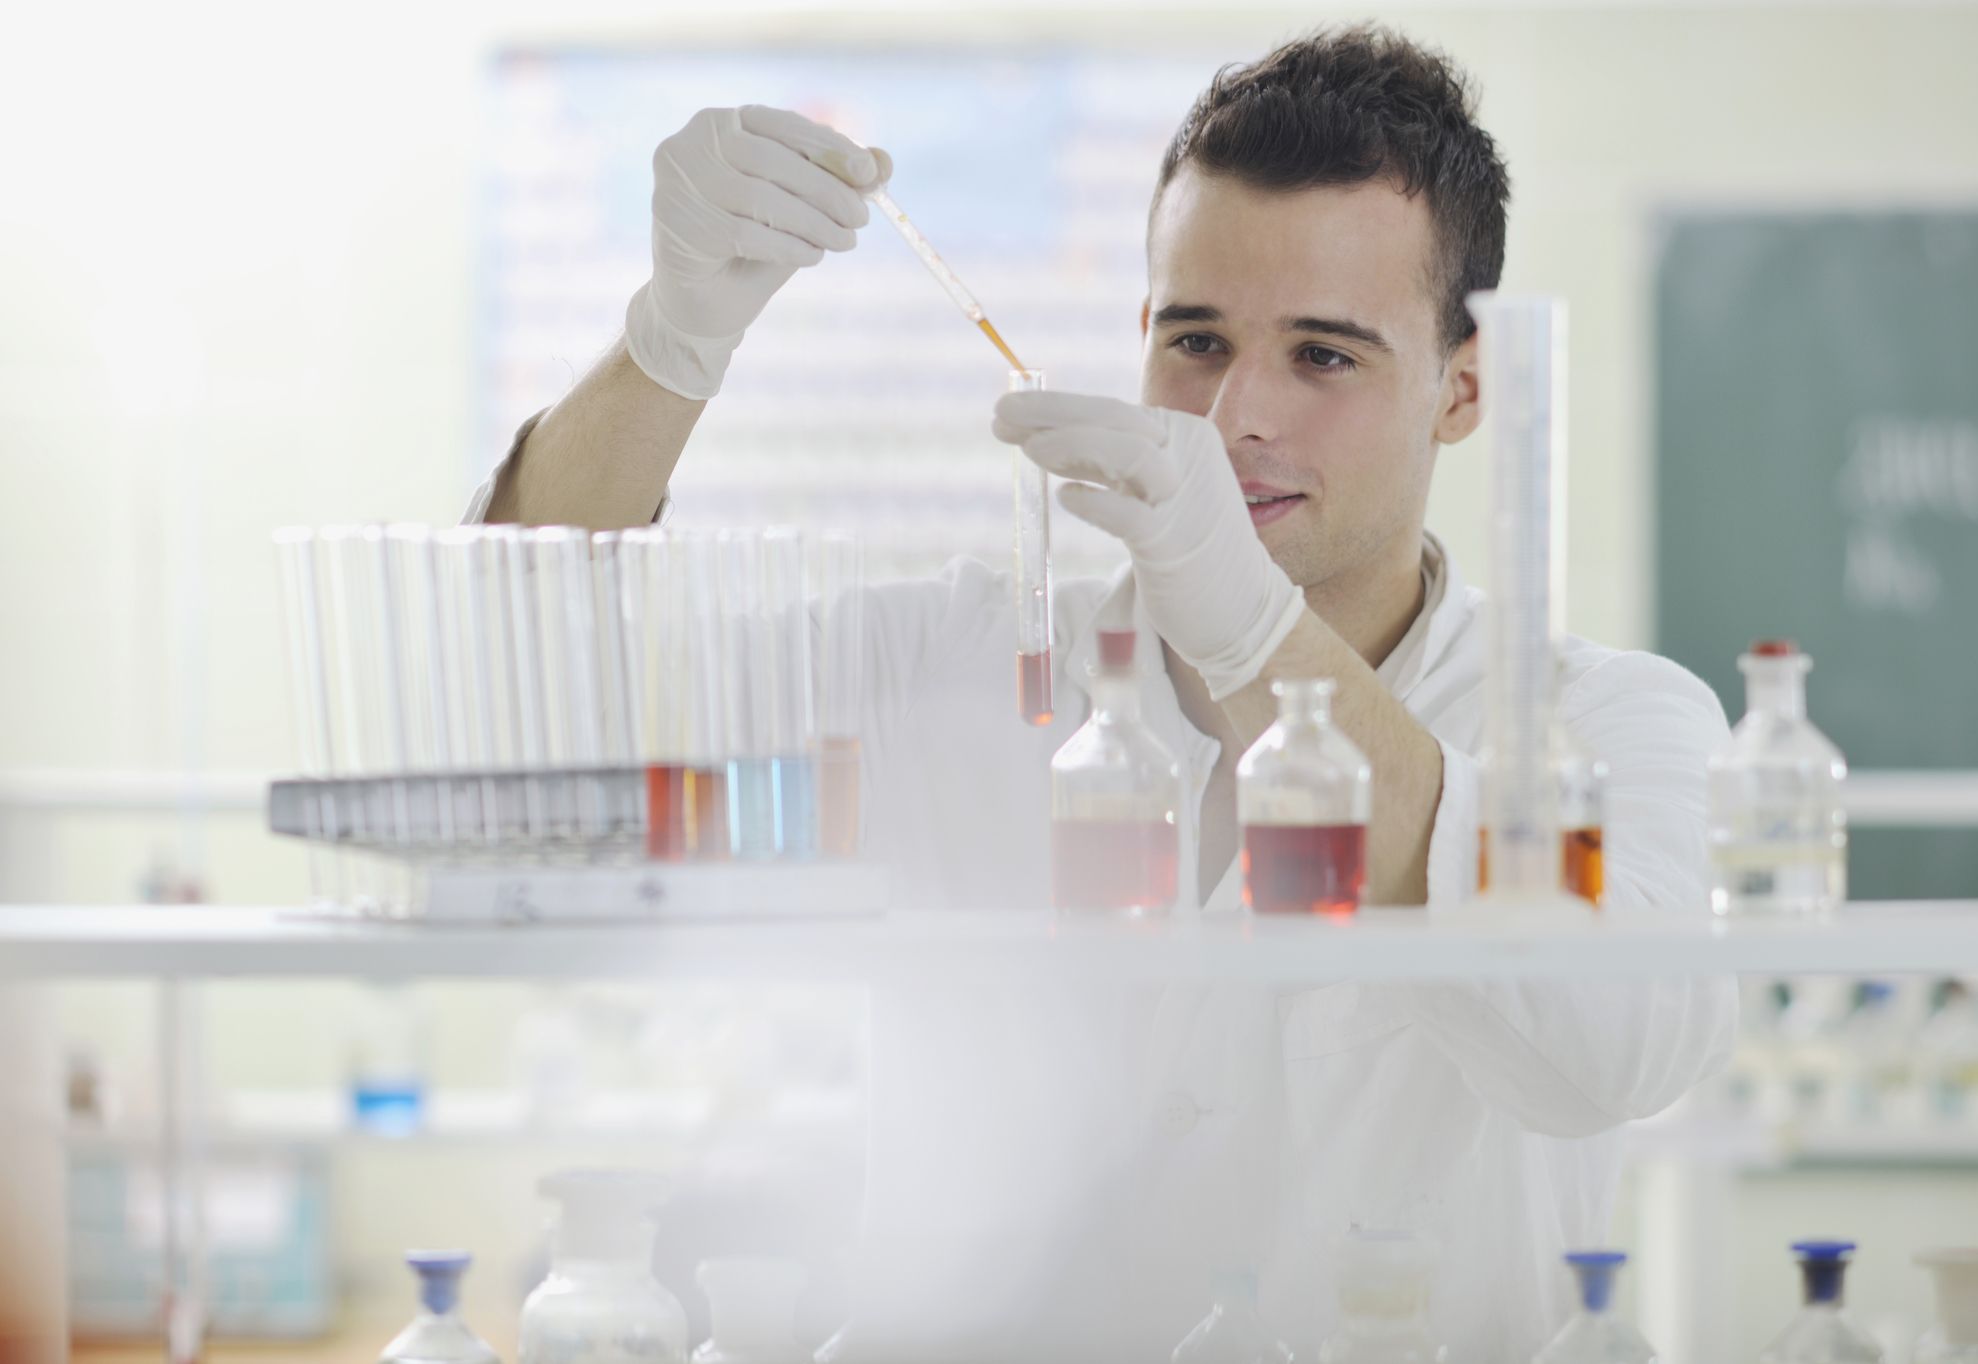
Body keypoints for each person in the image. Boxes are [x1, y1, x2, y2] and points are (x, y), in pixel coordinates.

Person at [471, 27, 1737, 1360]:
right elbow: (527, 712)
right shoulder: (951, 668)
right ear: (1141, 338)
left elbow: (1615, 1052)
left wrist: (1254, 638)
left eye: (1325, 355)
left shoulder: (1610, 725)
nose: (1237, 416)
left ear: (1463, 388)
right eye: (1197, 339)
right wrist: (670, 342)